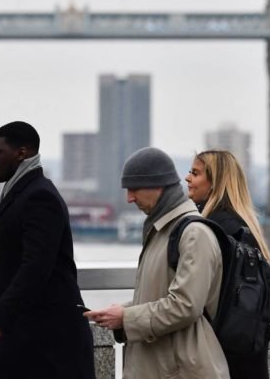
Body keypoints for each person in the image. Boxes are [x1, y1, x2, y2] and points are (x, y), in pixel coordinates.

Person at [84, 147, 230, 379]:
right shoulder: (163, 230)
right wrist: (122, 312)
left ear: (159, 186)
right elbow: (161, 296)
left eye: (134, 189)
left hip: (180, 370)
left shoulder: (193, 233)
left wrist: (126, 318)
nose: (129, 198)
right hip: (161, 367)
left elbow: (185, 305)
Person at [0, 121, 95, 379]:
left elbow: (36, 267)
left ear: (22, 153)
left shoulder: (39, 197)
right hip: (26, 332)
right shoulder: (21, 192)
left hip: (48, 339)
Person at [185, 149, 270, 379]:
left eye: (195, 173)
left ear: (214, 183)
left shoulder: (218, 228)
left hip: (226, 356)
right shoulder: (238, 224)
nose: (188, 178)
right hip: (245, 353)